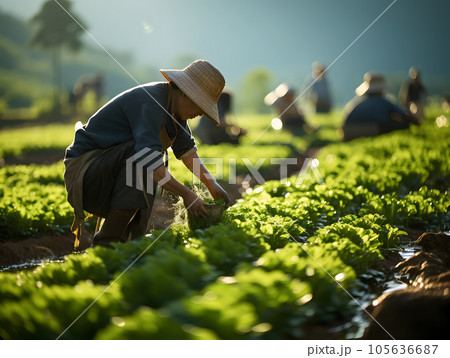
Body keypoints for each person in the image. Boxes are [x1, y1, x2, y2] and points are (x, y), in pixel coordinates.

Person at [64, 60, 231, 248]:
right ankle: (106, 243)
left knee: (148, 172)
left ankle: (127, 246)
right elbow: (149, 162)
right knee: (144, 163)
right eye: (200, 106)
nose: (201, 113)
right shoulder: (152, 103)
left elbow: (187, 152)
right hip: (86, 172)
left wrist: (212, 185)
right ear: (185, 94)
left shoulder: (175, 110)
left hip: (109, 168)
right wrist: (187, 195)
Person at [341, 71, 419, 141]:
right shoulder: (382, 101)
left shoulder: (357, 101)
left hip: (346, 132)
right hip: (369, 129)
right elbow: (403, 114)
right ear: (381, 90)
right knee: (401, 124)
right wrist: (416, 121)